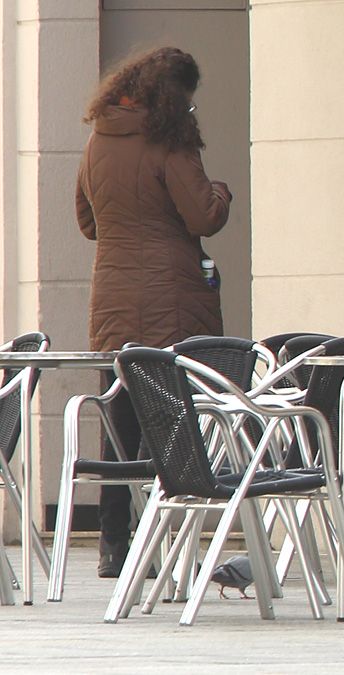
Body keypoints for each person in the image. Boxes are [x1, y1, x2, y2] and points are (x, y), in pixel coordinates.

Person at [76, 47, 231, 577]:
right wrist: (222, 192)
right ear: (176, 95)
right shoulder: (172, 143)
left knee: (118, 417)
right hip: (172, 298)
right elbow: (202, 216)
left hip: (113, 297)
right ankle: (163, 540)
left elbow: (87, 221)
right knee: (171, 417)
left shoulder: (98, 140)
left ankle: (113, 545)